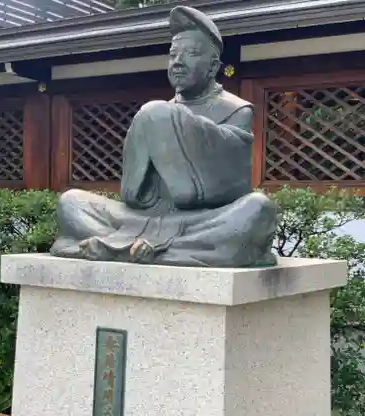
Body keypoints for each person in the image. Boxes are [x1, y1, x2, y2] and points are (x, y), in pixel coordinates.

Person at [50, 5, 277, 267]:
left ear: (213, 66)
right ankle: (151, 250)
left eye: (190, 54)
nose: (177, 62)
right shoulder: (157, 114)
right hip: (143, 218)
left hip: (200, 220)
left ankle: (130, 248)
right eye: (173, 54)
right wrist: (160, 122)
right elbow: (133, 195)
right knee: (71, 202)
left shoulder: (235, 110)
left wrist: (174, 123)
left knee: (258, 209)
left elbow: (230, 187)